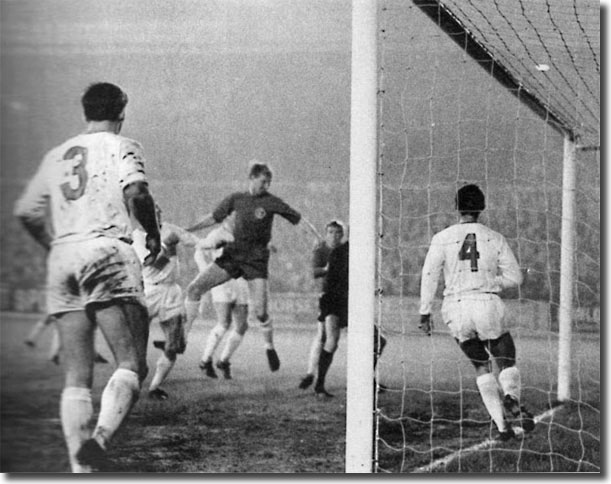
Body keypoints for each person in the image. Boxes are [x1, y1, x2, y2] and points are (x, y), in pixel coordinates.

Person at [14, 82, 161, 472]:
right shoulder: (123, 145)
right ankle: (100, 438)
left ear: (84, 113)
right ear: (121, 111)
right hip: (107, 251)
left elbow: (27, 211)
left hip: (64, 256)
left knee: (77, 375)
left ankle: (81, 473)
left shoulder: (56, 154)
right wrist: (154, 233)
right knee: (130, 363)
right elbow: (139, 194)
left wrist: (54, 245)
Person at [418, 184, 535, 441]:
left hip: (456, 306)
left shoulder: (442, 237)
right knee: (506, 359)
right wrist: (492, 282)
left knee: (481, 367)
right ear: (482, 207)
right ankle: (512, 397)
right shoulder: (495, 237)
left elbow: (429, 275)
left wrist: (424, 312)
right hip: (486, 302)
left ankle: (503, 429)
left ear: (456, 207)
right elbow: (515, 278)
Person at [185, 160, 302, 373]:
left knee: (261, 313)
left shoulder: (271, 201)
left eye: (269, 182)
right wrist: (189, 229)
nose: (266, 186)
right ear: (252, 178)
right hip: (234, 255)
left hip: (256, 261)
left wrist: (299, 221)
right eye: (263, 181)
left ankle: (269, 347)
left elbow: (296, 218)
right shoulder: (236, 199)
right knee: (195, 288)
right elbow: (213, 217)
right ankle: (182, 336)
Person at [298, 220, 387, 398]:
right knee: (330, 340)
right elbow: (332, 280)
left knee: (378, 341)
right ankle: (318, 384)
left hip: (350, 301)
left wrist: (371, 289)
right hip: (334, 301)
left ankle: (363, 380)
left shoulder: (359, 252)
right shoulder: (338, 253)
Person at [132, 205, 203, 400]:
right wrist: (167, 248)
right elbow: (149, 263)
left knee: (175, 345)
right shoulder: (137, 237)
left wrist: (211, 243)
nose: (158, 215)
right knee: (134, 342)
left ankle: (155, 387)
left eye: (158, 212)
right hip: (148, 290)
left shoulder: (169, 228)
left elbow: (194, 241)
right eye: (153, 212)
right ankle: (130, 382)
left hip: (171, 291)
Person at [194, 215, 250, 380]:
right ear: (227, 219)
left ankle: (224, 360)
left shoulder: (244, 235)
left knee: (242, 326)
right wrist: (207, 273)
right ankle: (205, 360)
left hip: (240, 281)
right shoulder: (217, 235)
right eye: (234, 217)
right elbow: (198, 252)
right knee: (224, 323)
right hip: (222, 283)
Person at [25, 314, 109, 365]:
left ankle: (52, 353)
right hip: (64, 305)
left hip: (62, 305)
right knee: (59, 327)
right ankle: (52, 354)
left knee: (58, 328)